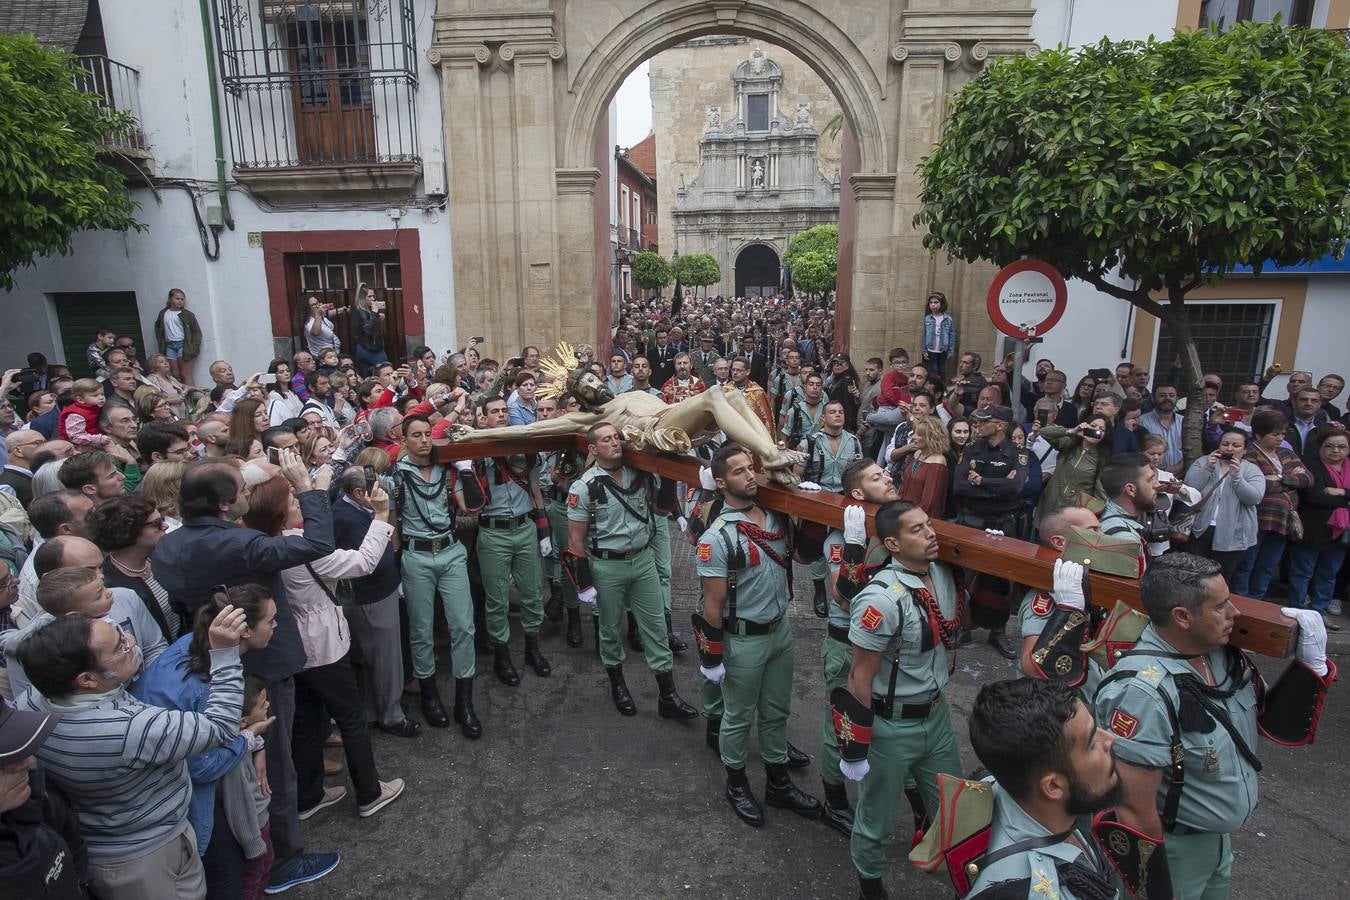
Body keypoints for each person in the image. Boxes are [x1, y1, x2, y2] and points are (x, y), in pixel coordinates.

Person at [151, 455, 341, 894]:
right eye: (242, 489)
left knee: (244, 766)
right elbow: (318, 545)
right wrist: (308, 489)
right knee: (273, 764)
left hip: (209, 664)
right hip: (262, 665)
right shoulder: (241, 544)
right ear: (223, 504)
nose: (248, 493)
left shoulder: (167, 546)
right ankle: (284, 859)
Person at [1094, 553, 1333, 900]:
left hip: (1217, 845)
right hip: (1174, 851)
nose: (1234, 613)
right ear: (1182, 617)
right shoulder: (1141, 692)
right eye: (1221, 606)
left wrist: (1310, 670)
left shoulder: (1222, 656)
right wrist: (1154, 887)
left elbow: (1269, 722)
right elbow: (1133, 809)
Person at [14, 605, 247, 899]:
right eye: (120, 645)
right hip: (150, 857)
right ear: (87, 680)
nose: (132, 642)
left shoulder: (34, 702)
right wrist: (225, 654)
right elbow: (220, 728)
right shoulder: (128, 730)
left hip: (100, 840)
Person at [245, 473, 406, 822]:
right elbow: (363, 562)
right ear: (276, 514)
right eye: (291, 501)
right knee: (350, 717)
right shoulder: (300, 549)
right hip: (323, 644)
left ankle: (309, 795)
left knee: (306, 721)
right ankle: (369, 792)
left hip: (287, 643)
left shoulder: (258, 545)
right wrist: (380, 516)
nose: (298, 505)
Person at [830, 500, 965, 900]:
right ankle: (869, 885)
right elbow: (859, 675)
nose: (930, 534)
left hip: (937, 719)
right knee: (877, 817)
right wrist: (856, 744)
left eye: (929, 525)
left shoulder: (940, 574)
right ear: (892, 543)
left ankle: (964, 878)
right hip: (893, 726)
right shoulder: (881, 599)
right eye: (917, 530)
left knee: (955, 809)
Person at [693, 443, 820, 828]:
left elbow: (802, 558)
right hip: (742, 639)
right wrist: (712, 659)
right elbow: (711, 606)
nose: (749, 475)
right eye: (738, 471)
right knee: (737, 716)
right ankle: (736, 783)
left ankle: (778, 783)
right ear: (720, 483)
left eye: (751, 468)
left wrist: (815, 516)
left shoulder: (777, 516)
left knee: (777, 711)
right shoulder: (717, 538)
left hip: (780, 632)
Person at [131, 585, 279, 898]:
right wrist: (249, 739)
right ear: (244, 631)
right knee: (226, 875)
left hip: (175, 787)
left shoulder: (192, 643)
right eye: (270, 620)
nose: (276, 626)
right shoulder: (203, 688)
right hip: (187, 799)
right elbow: (201, 767)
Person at [565, 423, 697, 719]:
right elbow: (575, 539)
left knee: (656, 628)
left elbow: (661, 510)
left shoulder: (640, 474)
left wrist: (669, 470)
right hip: (606, 566)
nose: (614, 443)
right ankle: (618, 686)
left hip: (643, 561)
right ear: (592, 449)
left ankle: (668, 695)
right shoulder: (584, 487)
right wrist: (584, 583)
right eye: (606, 440)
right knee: (610, 630)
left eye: (616, 438)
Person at [964, 678, 1121, 900]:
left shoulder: (995, 784)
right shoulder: (1047, 893)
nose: (1110, 740)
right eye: (1091, 743)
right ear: (1053, 786)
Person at [384, 415, 483, 736]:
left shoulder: (448, 469)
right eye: (417, 435)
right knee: (421, 630)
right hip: (416, 555)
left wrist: (466, 469)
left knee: (463, 626)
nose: (424, 440)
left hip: (451, 551)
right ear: (404, 440)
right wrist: (397, 566)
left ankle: (464, 702)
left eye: (428, 434)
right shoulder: (395, 477)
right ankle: (430, 696)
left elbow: (472, 507)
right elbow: (392, 525)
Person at [816, 460, 900, 837]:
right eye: (877, 478)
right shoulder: (841, 537)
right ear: (857, 494)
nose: (889, 479)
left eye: (887, 474)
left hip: (883, 646)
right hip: (846, 642)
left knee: (885, 723)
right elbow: (843, 597)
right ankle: (834, 800)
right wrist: (853, 548)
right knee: (843, 722)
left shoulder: (893, 528)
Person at [332, 467, 418, 737]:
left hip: (372, 594)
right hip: (372, 596)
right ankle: (392, 715)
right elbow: (373, 561)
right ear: (358, 493)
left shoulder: (351, 509)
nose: (381, 492)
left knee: (370, 657)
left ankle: (372, 709)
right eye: (375, 488)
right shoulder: (346, 518)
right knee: (386, 657)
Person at [473, 397, 552, 683]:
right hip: (493, 533)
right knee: (497, 599)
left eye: (504, 410)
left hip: (524, 528)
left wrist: (543, 531)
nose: (501, 415)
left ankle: (533, 649)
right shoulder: (476, 450)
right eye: (494, 412)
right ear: (483, 418)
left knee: (532, 593)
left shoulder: (523, 447)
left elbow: (534, 488)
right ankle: (501, 657)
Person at [953, 405, 1025, 658]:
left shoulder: (1018, 453)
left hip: (1002, 523)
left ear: (1001, 425)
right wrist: (998, 486)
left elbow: (1016, 487)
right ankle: (963, 626)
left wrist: (982, 481)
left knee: (1000, 579)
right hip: (972, 521)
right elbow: (959, 485)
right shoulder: (971, 449)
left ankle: (998, 630)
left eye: (985, 421)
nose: (979, 425)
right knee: (963, 576)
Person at [0, 696, 89, 899]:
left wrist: (82, 883)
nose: (28, 761)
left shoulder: (36, 797)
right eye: (4, 761)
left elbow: (74, 847)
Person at [1232, 410, 1312, 599]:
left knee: (1268, 565)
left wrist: (1280, 478)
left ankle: (1258, 601)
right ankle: (1242, 601)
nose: (1280, 438)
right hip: (1257, 517)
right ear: (1259, 434)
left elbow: (1308, 479)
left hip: (1283, 520)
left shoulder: (1286, 453)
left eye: (1282, 434)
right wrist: (1290, 479)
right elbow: (1258, 485)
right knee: (1246, 563)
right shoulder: (1249, 453)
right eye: (1275, 434)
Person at [89, 494, 181, 642]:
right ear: (128, 531)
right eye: (156, 524)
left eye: (162, 520)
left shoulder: (164, 558)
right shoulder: (110, 585)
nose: (165, 526)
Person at [1182, 428, 1265, 583]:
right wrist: (1207, 468)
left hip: (1233, 533)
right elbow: (1188, 488)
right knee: (1195, 577)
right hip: (1201, 529)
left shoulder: (1251, 470)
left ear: (1245, 450)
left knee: (1221, 579)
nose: (1229, 448)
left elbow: (1254, 498)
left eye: (1236, 445)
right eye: (1225, 444)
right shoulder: (1204, 461)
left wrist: (1237, 477)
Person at [1289, 426, 1350, 627]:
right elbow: (1314, 496)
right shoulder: (1311, 464)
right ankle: (1296, 610)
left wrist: (1339, 492)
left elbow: (1326, 497)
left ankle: (1319, 611)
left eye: (1342, 447)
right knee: (1303, 571)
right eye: (1330, 446)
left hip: (1342, 531)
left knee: (1329, 572)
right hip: (1313, 527)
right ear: (1321, 447)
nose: (1336, 451)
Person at [1033, 415, 1112, 529]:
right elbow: (1044, 432)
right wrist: (1072, 431)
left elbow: (1100, 497)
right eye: (1093, 426)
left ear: (1105, 435)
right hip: (1049, 504)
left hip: (1073, 513)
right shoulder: (1069, 444)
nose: (1096, 431)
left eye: (1101, 429)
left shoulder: (1102, 460)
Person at [896, 413, 950, 520]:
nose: (914, 437)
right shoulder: (917, 454)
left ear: (931, 437)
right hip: (903, 512)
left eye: (919, 434)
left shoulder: (938, 462)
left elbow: (929, 502)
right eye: (915, 433)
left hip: (919, 519)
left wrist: (911, 518)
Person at [154, 288, 203, 383]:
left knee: (185, 373)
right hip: (169, 345)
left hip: (183, 345)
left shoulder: (187, 314)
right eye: (177, 298)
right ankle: (180, 395)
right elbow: (157, 326)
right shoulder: (163, 313)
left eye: (182, 299)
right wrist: (160, 340)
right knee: (175, 373)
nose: (180, 301)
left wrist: (193, 347)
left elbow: (196, 331)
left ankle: (191, 397)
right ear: (170, 299)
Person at [1140, 384, 1184, 474]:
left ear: (1177, 398)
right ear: (1153, 398)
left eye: (1171, 395)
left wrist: (1177, 468)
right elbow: (1140, 450)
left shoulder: (1184, 421)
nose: (1167, 398)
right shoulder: (1142, 421)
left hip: (1181, 475)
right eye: (1162, 395)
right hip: (1151, 474)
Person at [350, 284, 388, 375]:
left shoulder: (368, 309)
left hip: (365, 347)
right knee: (385, 373)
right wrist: (374, 314)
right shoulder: (357, 310)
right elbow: (367, 329)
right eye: (369, 296)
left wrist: (377, 316)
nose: (373, 299)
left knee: (368, 377)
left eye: (373, 296)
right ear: (362, 298)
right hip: (370, 349)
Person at [920, 292, 955, 378]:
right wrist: (924, 350)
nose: (933, 305)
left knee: (942, 369)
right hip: (931, 349)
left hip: (943, 348)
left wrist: (951, 350)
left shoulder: (948, 319)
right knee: (933, 369)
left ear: (942, 303)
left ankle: (942, 387)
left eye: (936, 302)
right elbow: (924, 334)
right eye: (931, 303)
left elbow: (952, 335)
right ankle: (934, 386)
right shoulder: (927, 318)